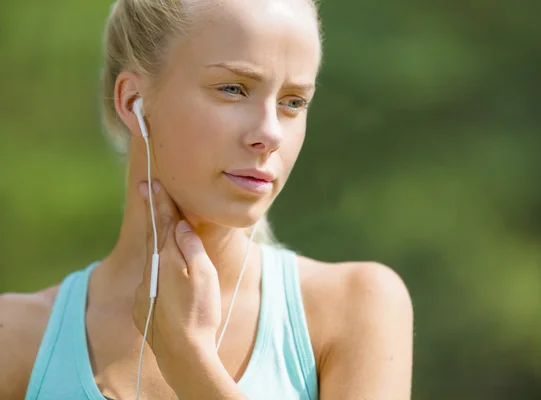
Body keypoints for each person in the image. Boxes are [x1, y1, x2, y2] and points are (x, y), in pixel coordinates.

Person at [0, 0, 414, 398]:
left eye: (293, 102)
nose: (271, 134)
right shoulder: (16, 337)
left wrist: (192, 364)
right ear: (133, 102)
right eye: (233, 89)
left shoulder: (355, 309)